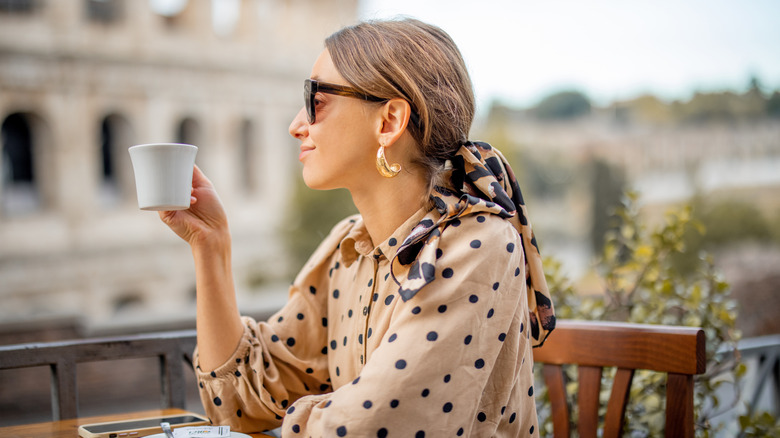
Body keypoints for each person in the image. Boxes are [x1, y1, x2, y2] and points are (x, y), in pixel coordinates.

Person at [159, 17, 555, 437]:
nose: (297, 124)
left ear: (388, 122)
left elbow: (377, 425)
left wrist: (311, 410)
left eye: (316, 100)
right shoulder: (348, 249)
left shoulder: (479, 246)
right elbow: (243, 403)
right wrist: (210, 245)